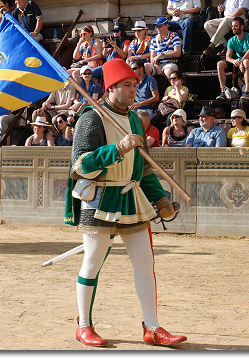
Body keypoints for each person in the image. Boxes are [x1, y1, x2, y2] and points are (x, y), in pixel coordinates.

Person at [64, 58, 187, 347]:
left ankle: (153, 328)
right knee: (93, 262)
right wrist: (117, 149)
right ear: (110, 88)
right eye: (127, 85)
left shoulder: (134, 119)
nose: (134, 90)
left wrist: (159, 198)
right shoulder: (91, 118)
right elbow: (81, 165)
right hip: (98, 197)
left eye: (135, 85)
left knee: (145, 262)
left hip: (132, 198)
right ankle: (84, 325)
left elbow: (142, 167)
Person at [215, 17, 249, 101]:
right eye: (232, 26)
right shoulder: (231, 40)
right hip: (239, 62)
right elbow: (227, 57)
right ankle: (223, 92)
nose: (233, 28)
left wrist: (241, 61)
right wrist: (233, 61)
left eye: (235, 26)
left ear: (242, 27)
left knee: (246, 61)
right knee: (220, 64)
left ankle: (247, 92)